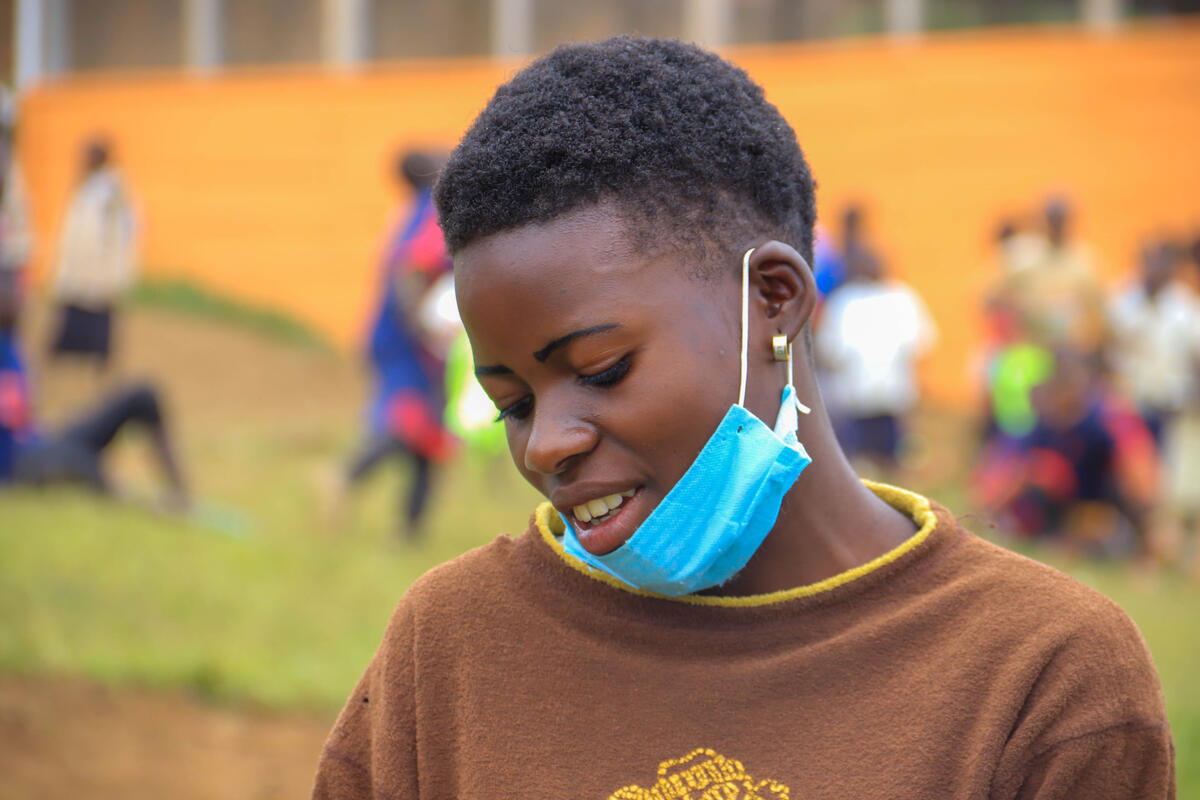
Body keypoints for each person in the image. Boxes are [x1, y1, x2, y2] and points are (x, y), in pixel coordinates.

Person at [312, 37, 1173, 798]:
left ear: (773, 301)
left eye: (603, 370)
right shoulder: (452, 650)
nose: (549, 444)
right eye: (513, 403)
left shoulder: (1042, 678)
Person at [333, 150, 457, 538]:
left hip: (399, 341)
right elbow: (411, 270)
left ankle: (409, 531)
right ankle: (345, 476)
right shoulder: (433, 213)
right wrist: (427, 329)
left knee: (430, 434)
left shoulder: (416, 211)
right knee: (414, 426)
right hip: (409, 345)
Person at [0, 270, 186, 508]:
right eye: (11, 291)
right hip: (17, 467)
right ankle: (135, 501)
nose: (21, 299)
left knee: (142, 395)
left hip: (40, 446)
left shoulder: (13, 347)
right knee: (81, 463)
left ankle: (182, 498)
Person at [815, 247, 936, 474]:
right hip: (896, 394)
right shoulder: (902, 297)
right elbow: (923, 343)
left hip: (856, 397)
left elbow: (829, 349)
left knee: (861, 462)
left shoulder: (844, 302)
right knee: (893, 457)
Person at [48, 138, 138, 372]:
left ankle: (99, 359)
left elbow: (121, 230)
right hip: (80, 267)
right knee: (76, 311)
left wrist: (110, 263)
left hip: (100, 269)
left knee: (98, 313)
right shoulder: (86, 186)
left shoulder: (112, 189)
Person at [1108, 240, 1200, 446]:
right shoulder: (1122, 300)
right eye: (1151, 263)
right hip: (1132, 402)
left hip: (1171, 402)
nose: (1156, 270)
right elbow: (1109, 347)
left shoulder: (1185, 306)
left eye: (1162, 265)